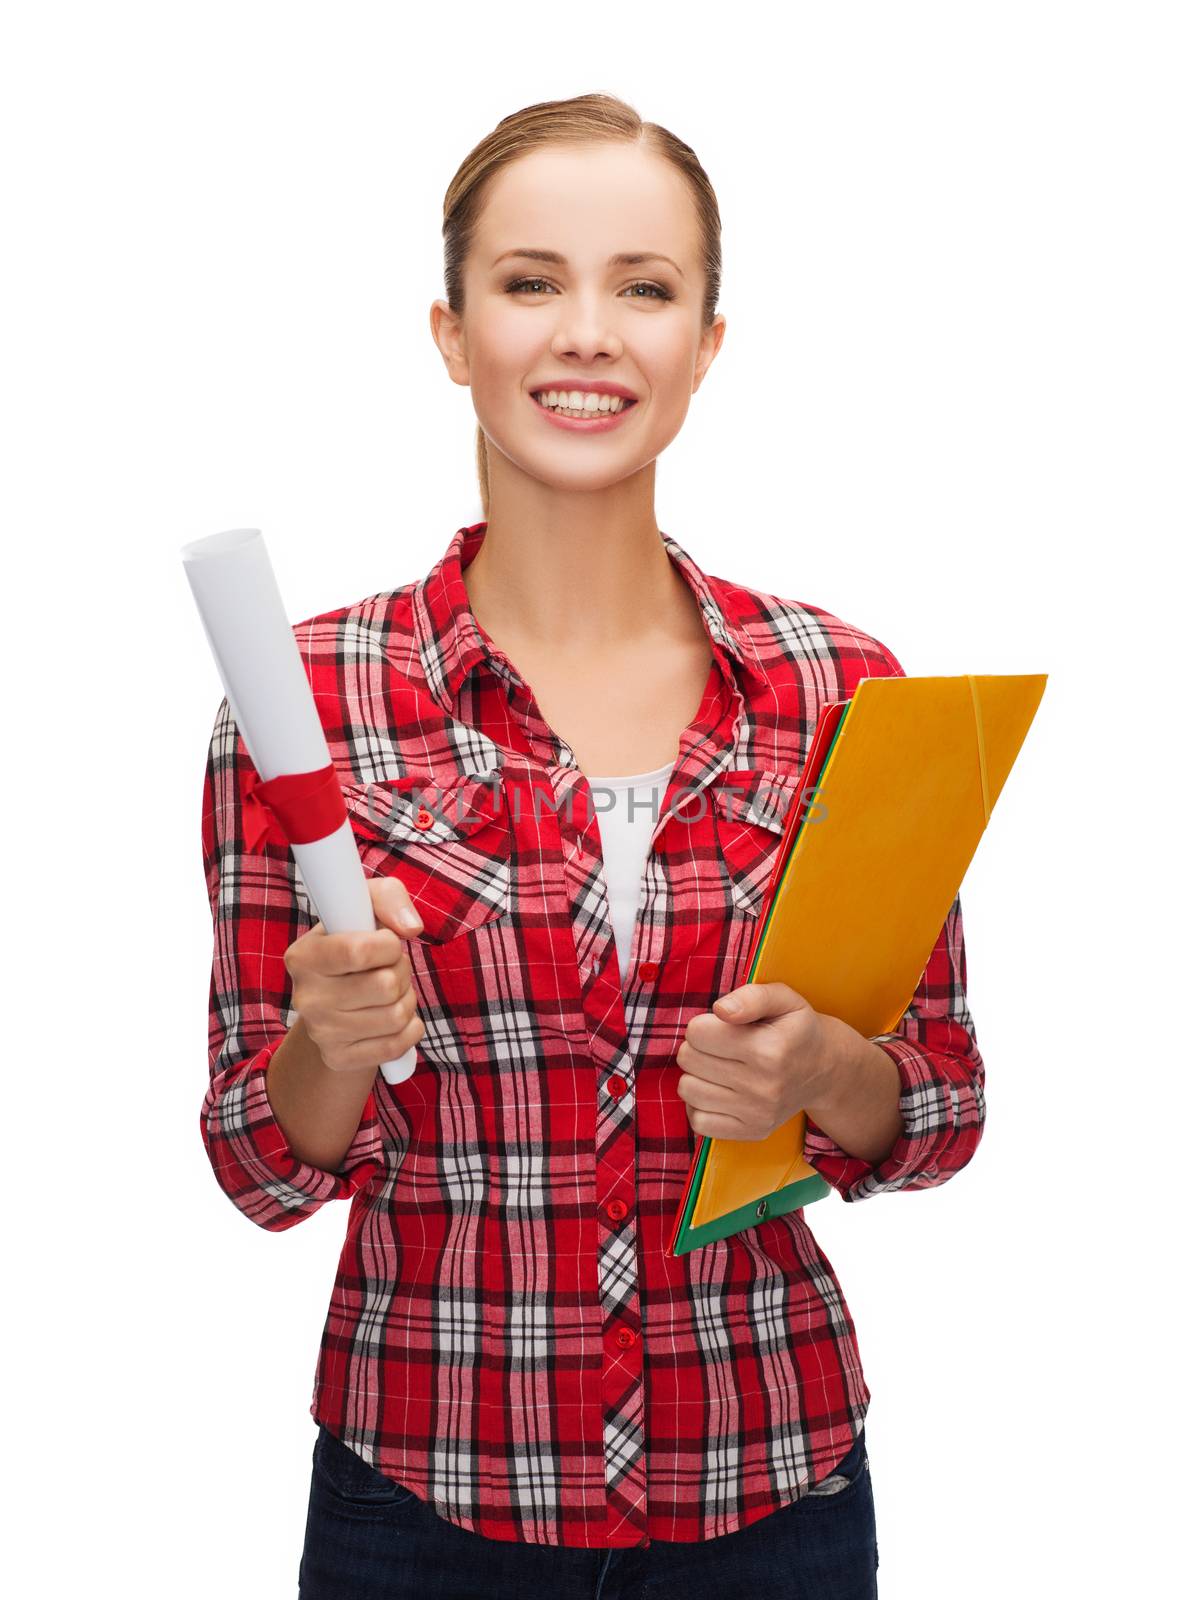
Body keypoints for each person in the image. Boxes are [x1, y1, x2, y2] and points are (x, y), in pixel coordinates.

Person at [199, 92, 985, 1600]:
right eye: (529, 281)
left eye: (644, 286)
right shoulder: (301, 702)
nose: (587, 333)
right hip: (422, 1498)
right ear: (451, 332)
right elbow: (262, 1161)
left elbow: (938, 1107)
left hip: (772, 1486)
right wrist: (331, 1042)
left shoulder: (842, 688)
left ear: (706, 341)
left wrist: (823, 1070)